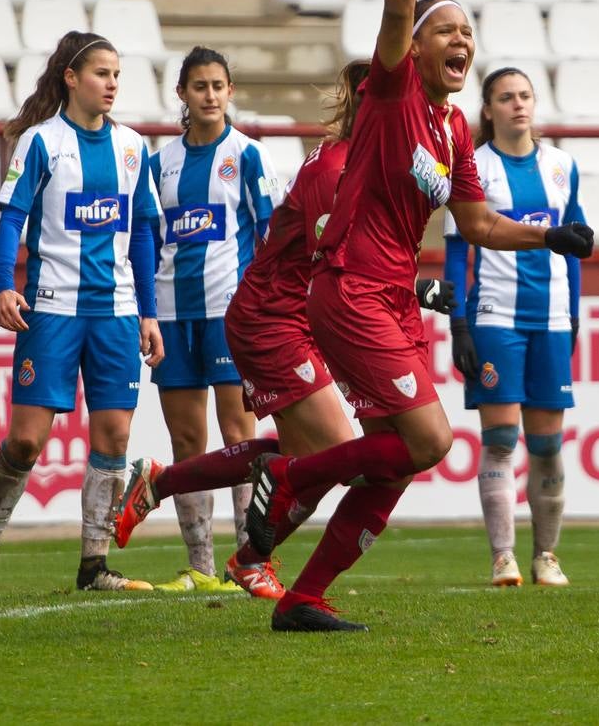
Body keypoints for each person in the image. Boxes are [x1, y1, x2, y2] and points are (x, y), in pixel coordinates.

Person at [243, 0, 595, 632]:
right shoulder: (394, 92)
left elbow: (478, 225)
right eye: (447, 30)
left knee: (396, 461)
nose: (462, 40)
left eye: (468, 32)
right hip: (351, 290)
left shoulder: (454, 128)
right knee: (430, 439)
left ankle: (302, 598)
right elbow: (398, 4)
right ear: (414, 46)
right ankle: (290, 474)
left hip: (393, 299)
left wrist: (550, 237)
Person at [112, 60, 457, 600]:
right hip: (273, 316)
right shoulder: (334, 170)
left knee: (314, 458)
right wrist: (417, 288)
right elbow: (337, 257)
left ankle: (171, 490)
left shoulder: (367, 165)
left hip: (305, 315)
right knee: (332, 456)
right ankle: (246, 553)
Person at [0, 31, 164, 593]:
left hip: (115, 313)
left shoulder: (132, 146)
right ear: (71, 78)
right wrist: (4, 286)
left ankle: (94, 566)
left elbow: (142, 231)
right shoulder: (41, 142)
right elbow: (11, 218)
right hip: (51, 310)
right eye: (101, 73)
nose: (111, 84)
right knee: (26, 440)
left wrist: (148, 312)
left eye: (116, 75)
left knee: (114, 436)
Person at [144, 46, 282, 592]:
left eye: (218, 86)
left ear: (230, 92)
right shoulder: (158, 164)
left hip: (230, 315)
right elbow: (146, 242)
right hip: (173, 316)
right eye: (199, 86)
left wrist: (267, 306)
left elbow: (271, 236)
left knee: (238, 436)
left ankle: (248, 560)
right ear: (182, 93)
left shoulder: (248, 156)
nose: (209, 95)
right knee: (186, 440)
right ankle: (201, 567)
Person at [444, 66, 588, 589]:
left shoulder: (562, 166)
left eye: (525, 95)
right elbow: (456, 253)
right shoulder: (472, 168)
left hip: (550, 318)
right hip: (494, 316)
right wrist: (459, 324)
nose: (518, 105)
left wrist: (574, 313)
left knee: (547, 445)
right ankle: (503, 557)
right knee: (502, 438)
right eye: (506, 97)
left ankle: (546, 555)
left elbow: (574, 247)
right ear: (488, 109)